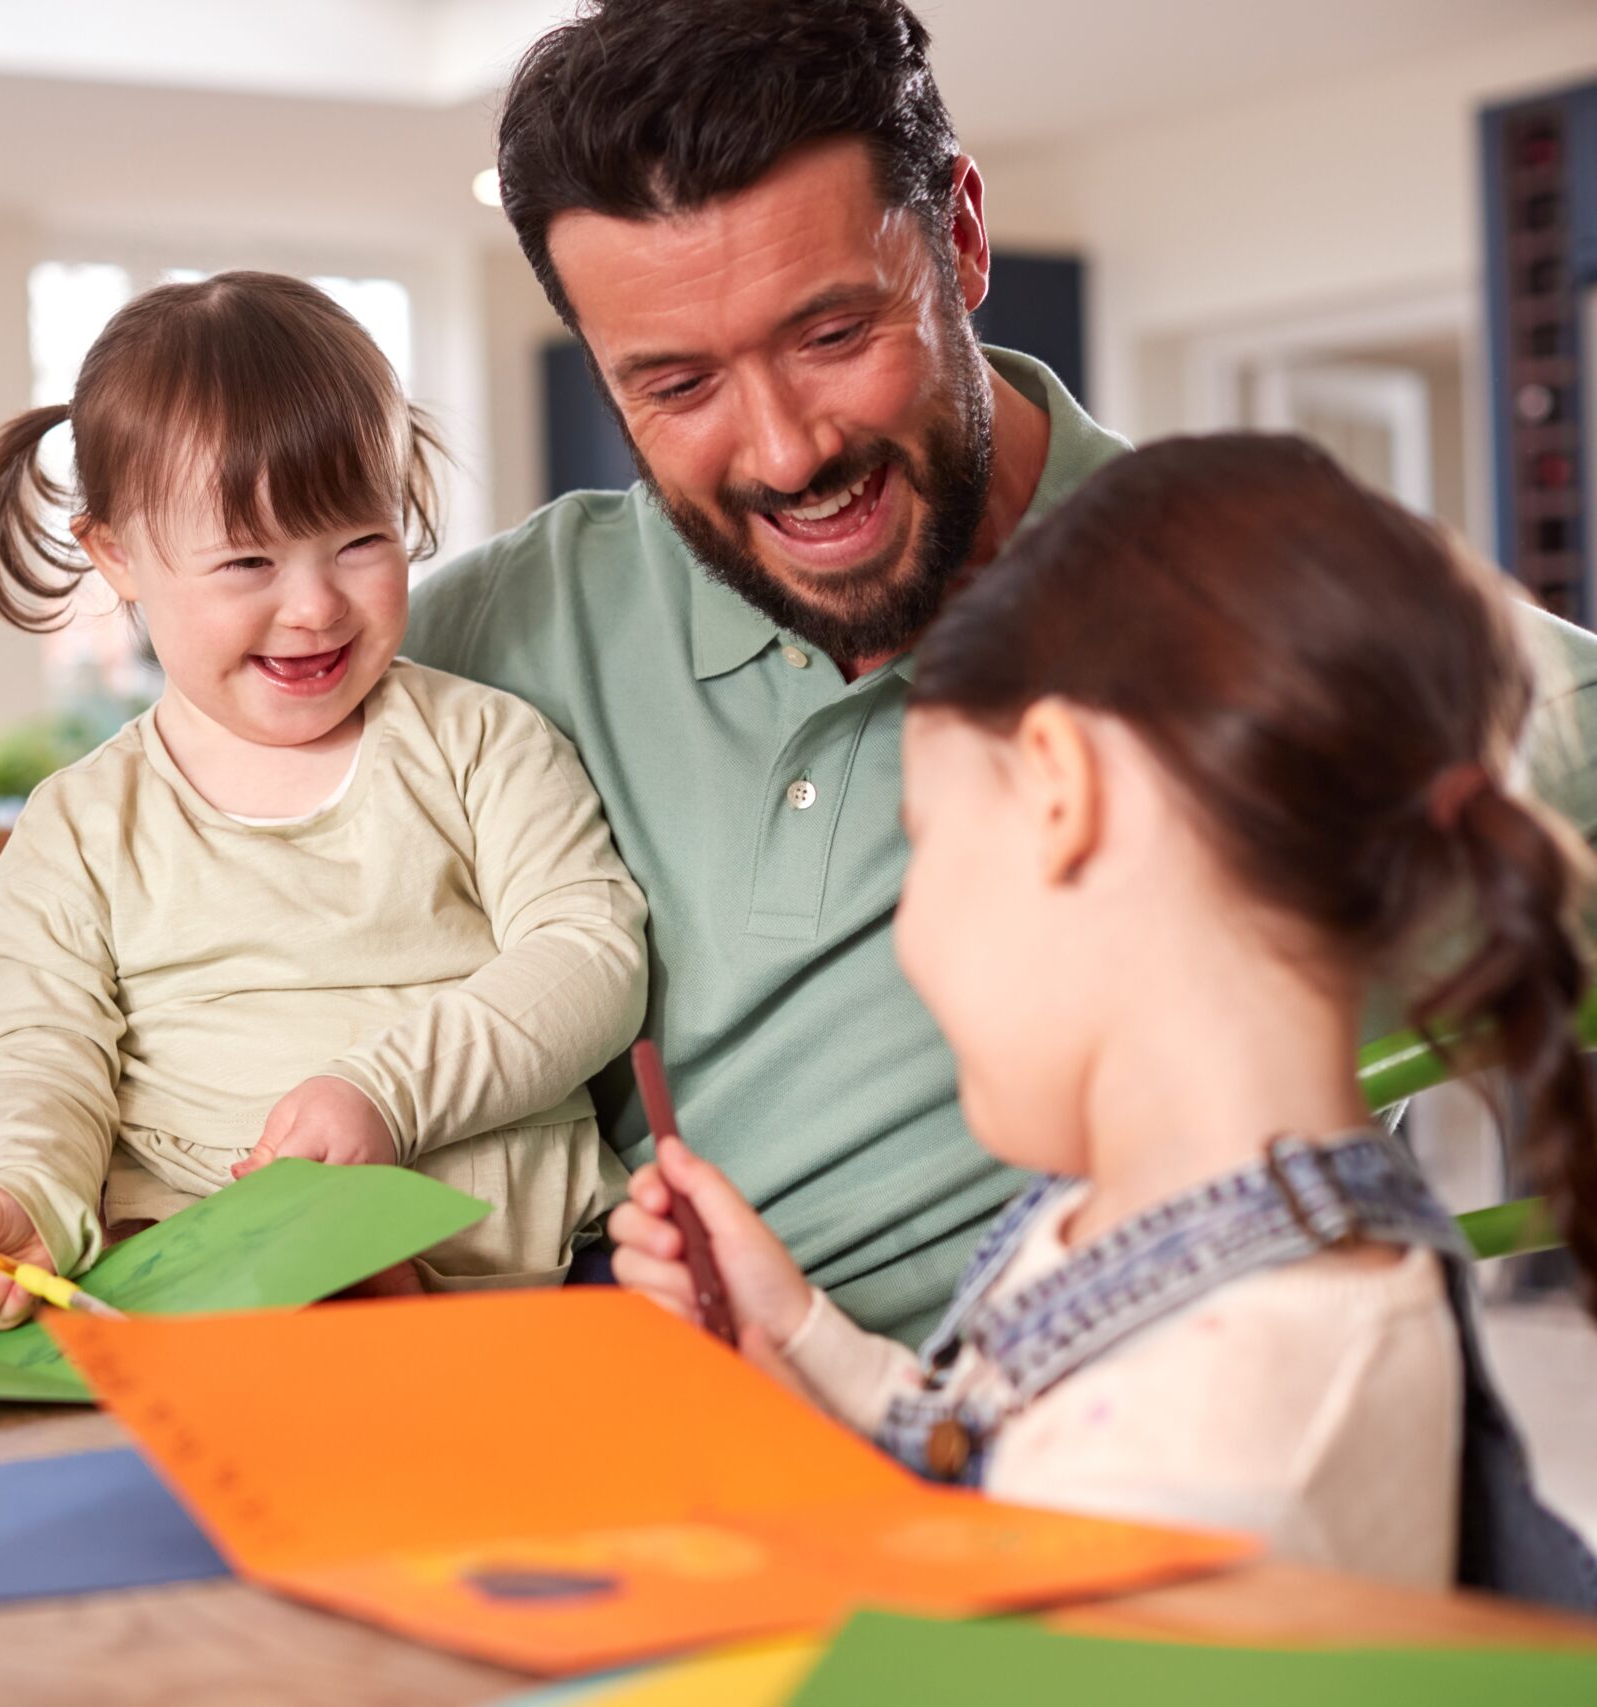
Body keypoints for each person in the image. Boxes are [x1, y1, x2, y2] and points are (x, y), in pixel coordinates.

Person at [404, 0, 1597, 1341]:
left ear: (961, 237)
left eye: (833, 335)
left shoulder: (1249, 605)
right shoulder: (499, 632)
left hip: (1046, 1477)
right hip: (552, 1440)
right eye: (678, 387)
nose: (787, 450)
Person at [614, 436, 1597, 1601]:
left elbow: (990, 1630)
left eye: (926, 843)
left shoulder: (1225, 1434)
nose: (908, 934)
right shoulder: (1144, 1217)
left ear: (1060, 791)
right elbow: (984, 1466)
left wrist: (773, 1484)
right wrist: (795, 1338)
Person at [0, 272, 647, 1342]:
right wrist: (21, 1194)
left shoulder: (483, 744)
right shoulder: (79, 830)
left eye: (359, 541)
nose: (313, 606)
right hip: (211, 1297)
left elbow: (590, 955)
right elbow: (36, 1052)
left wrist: (386, 1094)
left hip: (514, 1289)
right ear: (118, 556)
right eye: (247, 561)